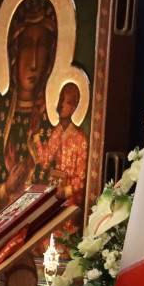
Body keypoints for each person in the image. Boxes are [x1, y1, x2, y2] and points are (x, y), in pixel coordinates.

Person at [0, 0, 57, 229]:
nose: (34, 63)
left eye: (43, 46)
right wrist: (5, 189)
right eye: (27, 46)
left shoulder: (55, 120)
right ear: (13, 53)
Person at [32, 81, 88, 210]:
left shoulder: (80, 138)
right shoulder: (57, 131)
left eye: (67, 102)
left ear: (73, 108)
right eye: (61, 99)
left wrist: (65, 191)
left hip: (71, 203)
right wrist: (36, 137)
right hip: (55, 198)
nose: (62, 105)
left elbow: (81, 178)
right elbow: (45, 161)